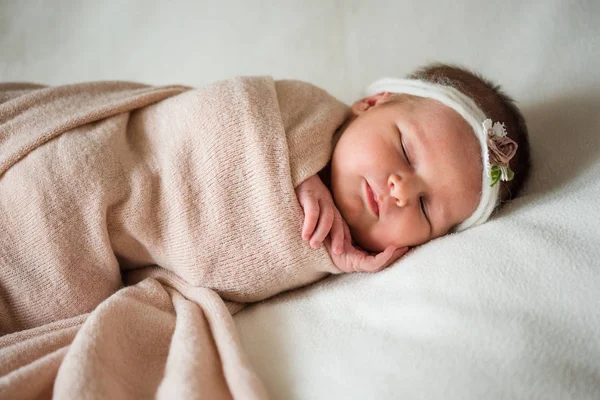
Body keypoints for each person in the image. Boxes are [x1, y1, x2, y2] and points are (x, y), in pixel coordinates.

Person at [295, 63, 531, 273]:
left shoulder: (342, 256)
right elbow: (257, 112)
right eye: (405, 153)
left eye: (423, 207)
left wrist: (337, 261)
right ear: (371, 103)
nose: (401, 192)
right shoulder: (302, 110)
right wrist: (299, 170)